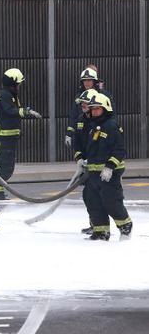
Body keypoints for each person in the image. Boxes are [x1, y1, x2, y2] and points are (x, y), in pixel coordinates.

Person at [82, 92, 131, 241]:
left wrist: (110, 167)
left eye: (98, 109)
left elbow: (120, 150)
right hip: (94, 173)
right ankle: (101, 231)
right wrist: (85, 162)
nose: (95, 111)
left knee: (111, 201)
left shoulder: (111, 126)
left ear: (106, 109)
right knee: (93, 201)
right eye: (93, 109)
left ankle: (125, 226)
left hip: (109, 173)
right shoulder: (93, 126)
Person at [0, 68, 42, 200]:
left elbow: (14, 112)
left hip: (8, 136)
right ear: (12, 83)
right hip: (3, 136)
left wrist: (25, 113)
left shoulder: (9, 95)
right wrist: (26, 112)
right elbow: (10, 111)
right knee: (6, 167)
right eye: (18, 83)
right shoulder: (4, 95)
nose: (19, 86)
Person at [71, 89, 99, 235]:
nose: (82, 104)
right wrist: (79, 158)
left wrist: (93, 159)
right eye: (81, 102)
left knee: (100, 198)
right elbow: (77, 142)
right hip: (86, 166)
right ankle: (94, 224)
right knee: (88, 196)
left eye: (85, 102)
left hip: (98, 167)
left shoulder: (100, 122)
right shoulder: (81, 120)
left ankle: (101, 226)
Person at [65, 67, 112, 148]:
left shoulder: (104, 95)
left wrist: (111, 131)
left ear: (94, 81)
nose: (87, 83)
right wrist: (69, 134)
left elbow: (111, 114)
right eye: (85, 80)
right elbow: (73, 115)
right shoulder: (79, 97)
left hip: (100, 131)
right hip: (83, 132)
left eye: (89, 80)